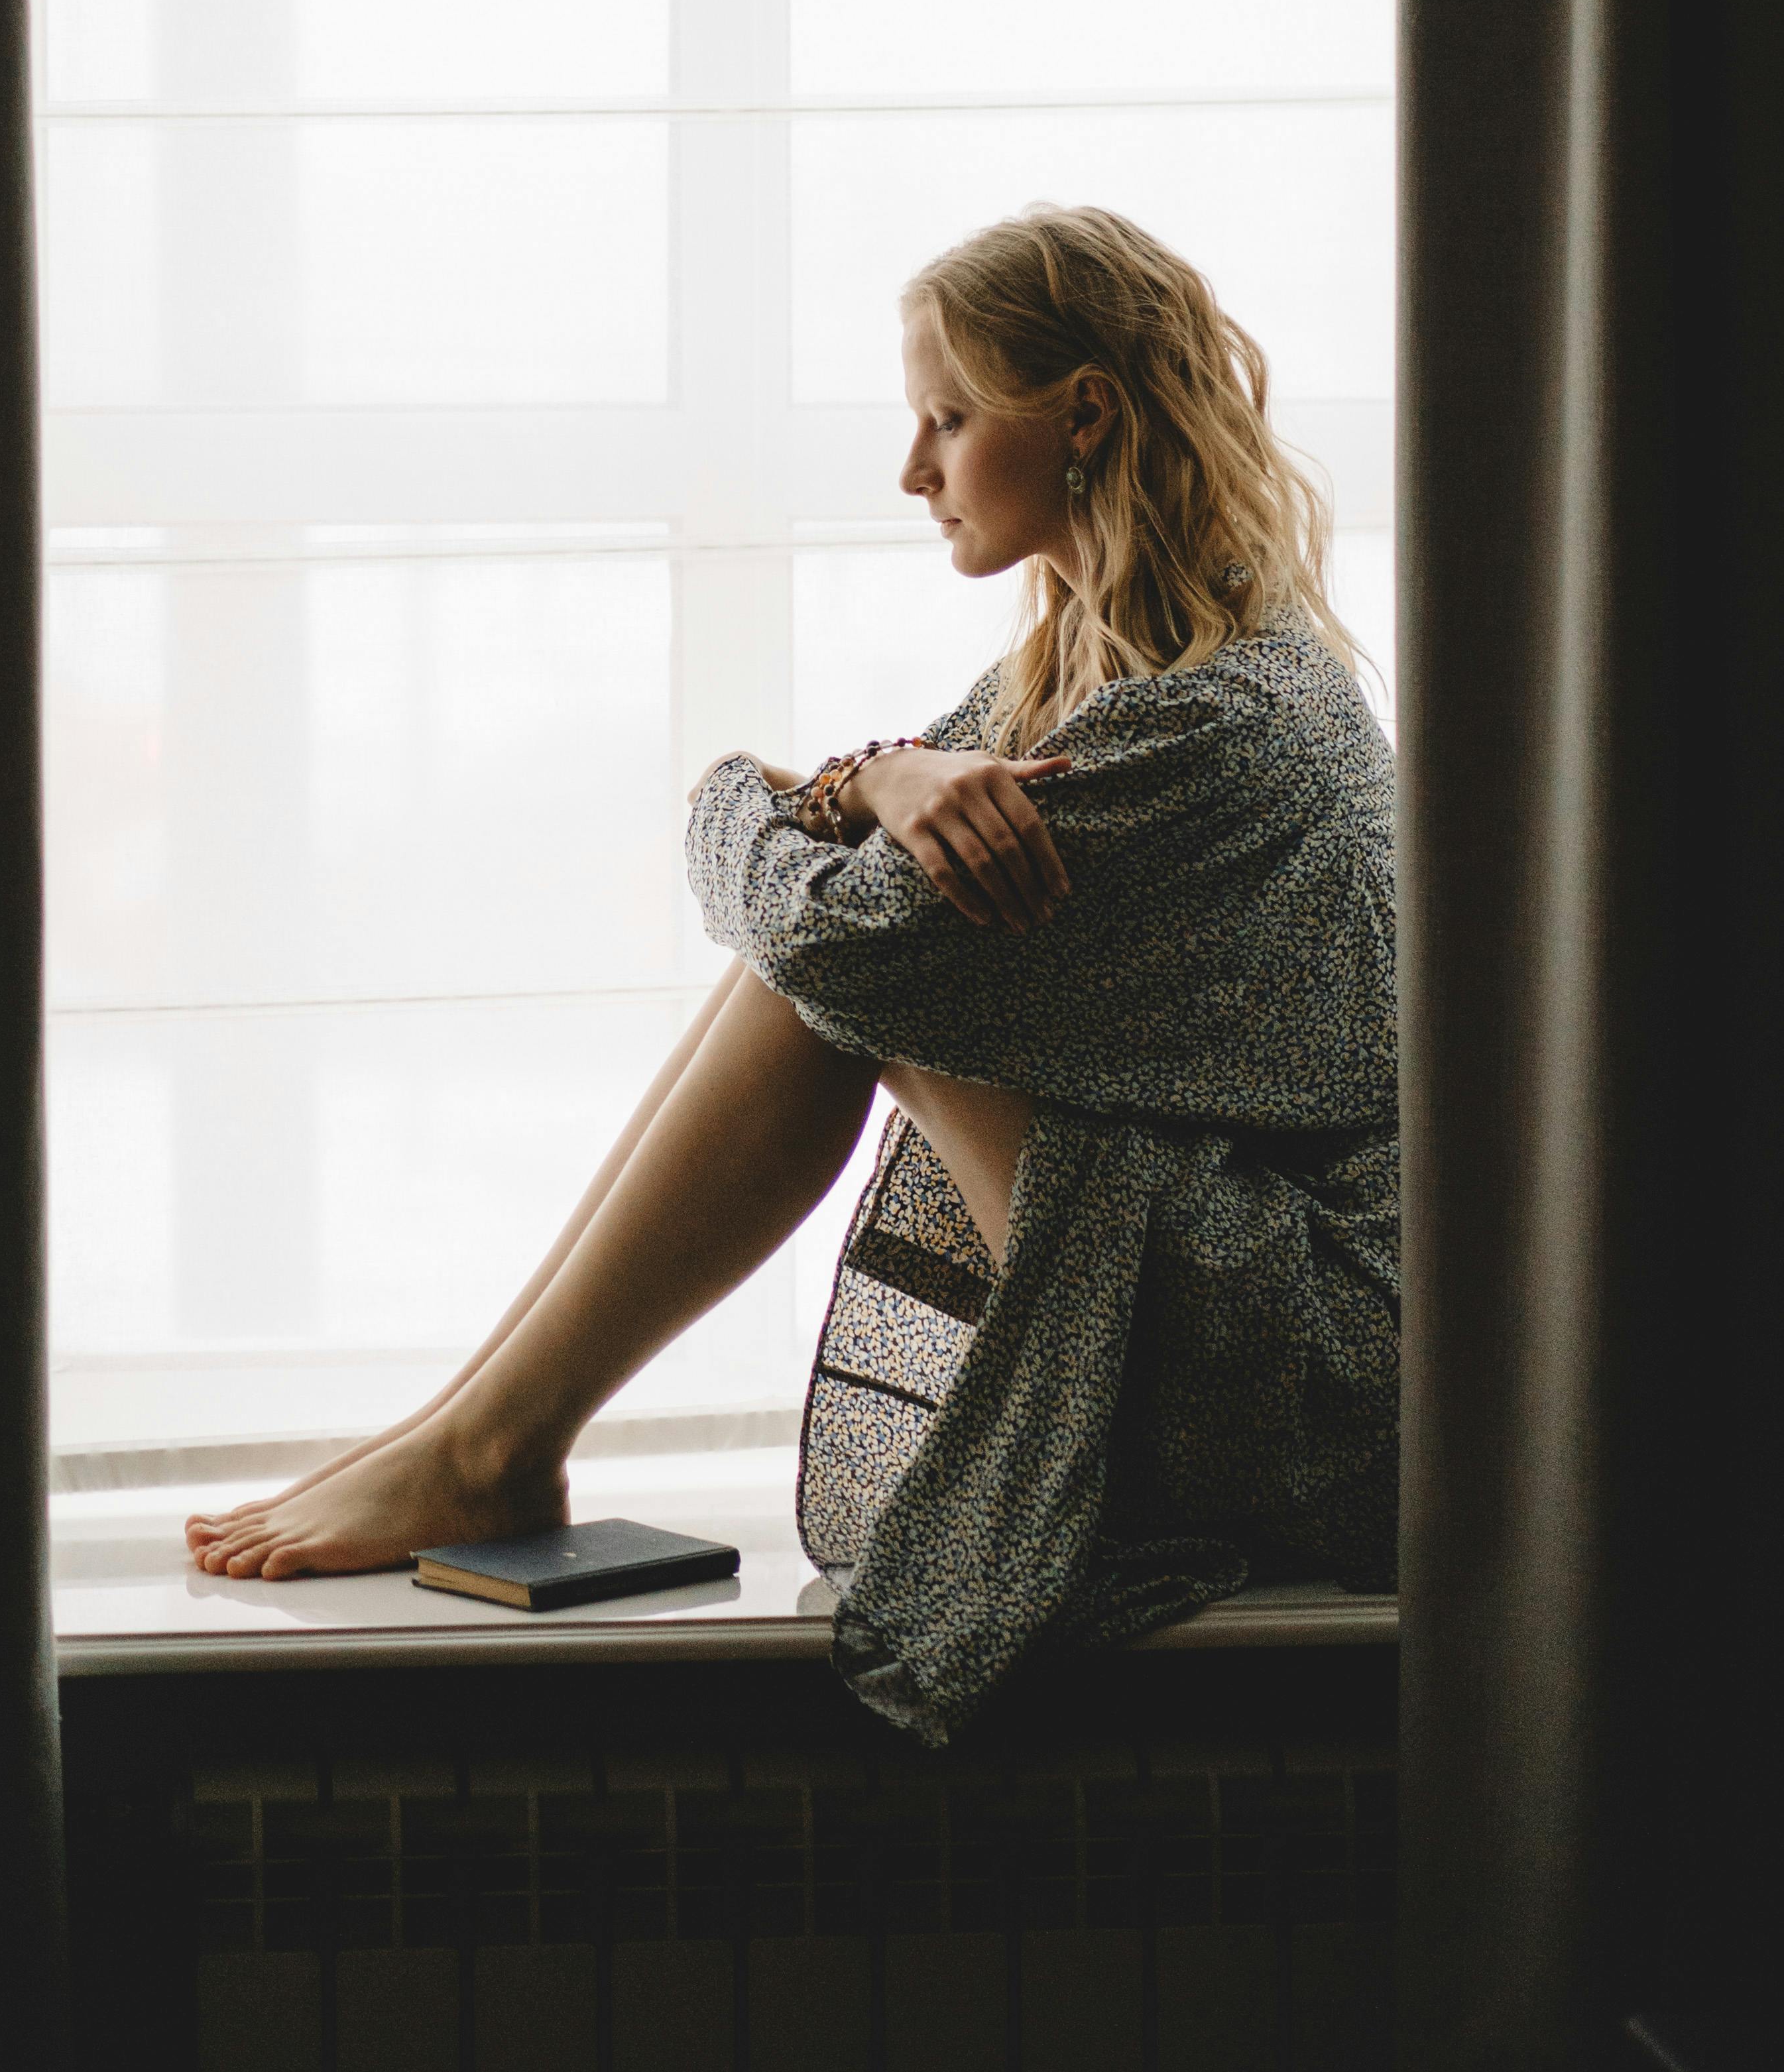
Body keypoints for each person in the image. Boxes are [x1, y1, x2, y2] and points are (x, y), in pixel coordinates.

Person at [186, 205, 1399, 1743]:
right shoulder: (1093, 673)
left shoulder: (1218, 723)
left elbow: (826, 929)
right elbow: (842, 850)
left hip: (1336, 1378)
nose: (914, 470)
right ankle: (470, 1428)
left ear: (1081, 413)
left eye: (947, 420)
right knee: (864, 948)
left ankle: (491, 1436)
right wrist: (879, 777)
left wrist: (759, 788)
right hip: (1261, 1301)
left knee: (850, 971)